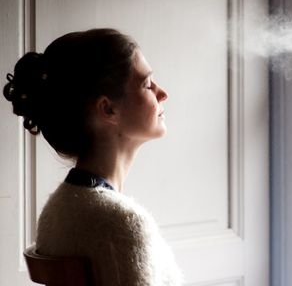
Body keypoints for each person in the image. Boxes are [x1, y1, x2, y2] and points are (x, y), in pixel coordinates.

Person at [3, 29, 182, 286]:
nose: (162, 93)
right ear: (108, 108)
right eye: (147, 83)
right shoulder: (123, 224)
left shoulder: (57, 213)